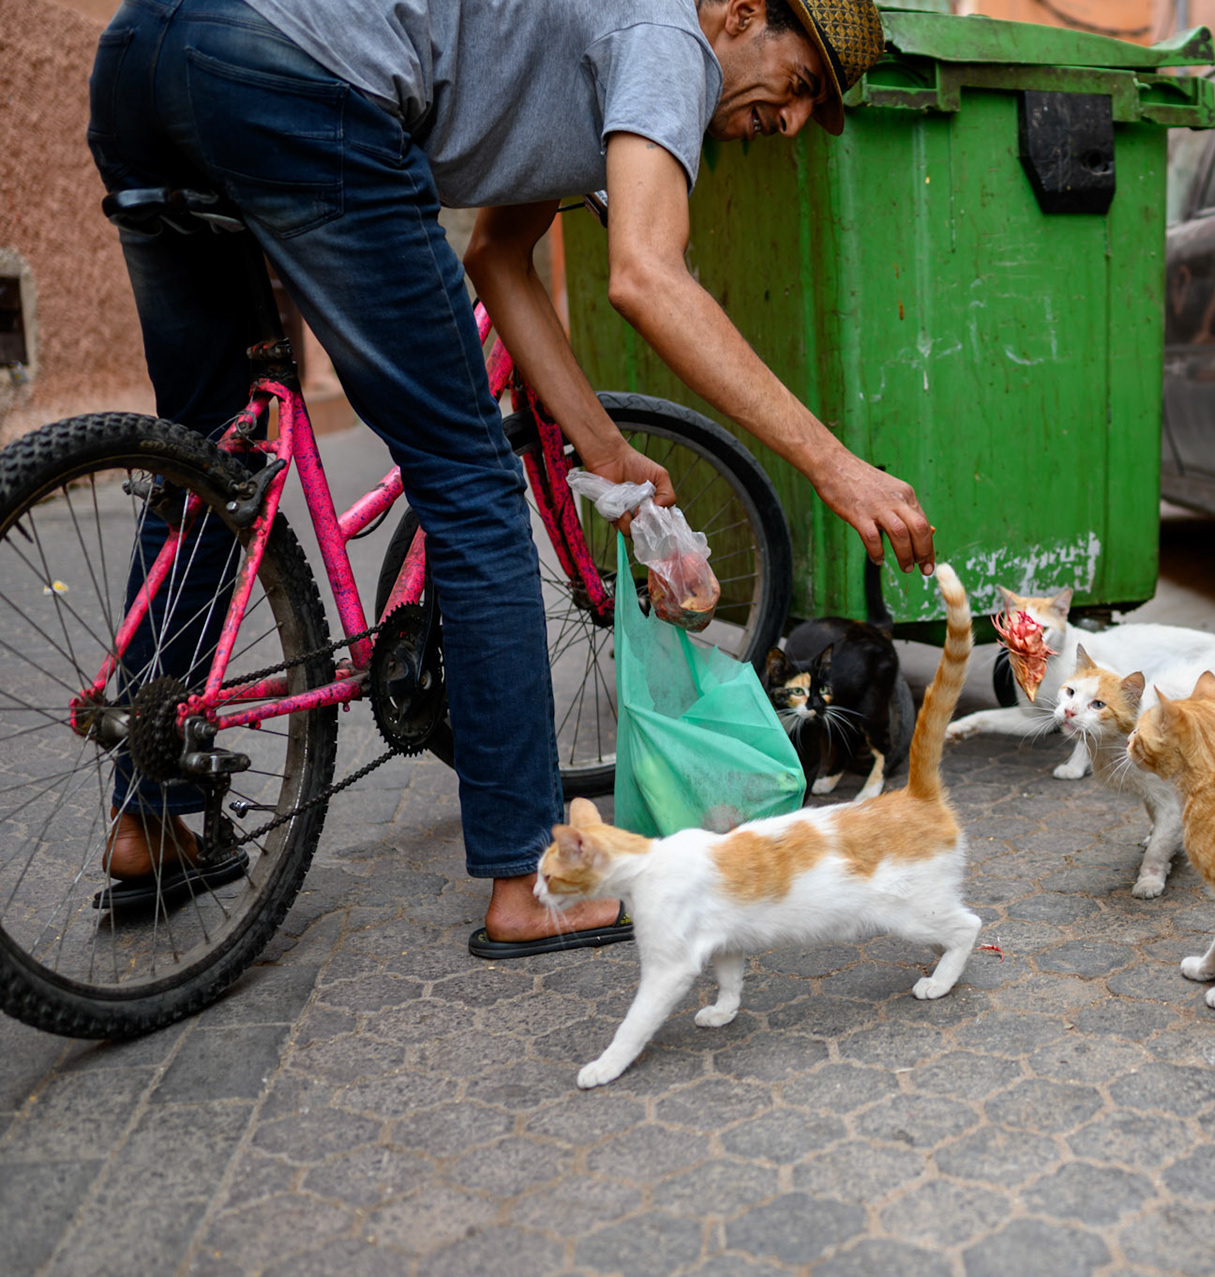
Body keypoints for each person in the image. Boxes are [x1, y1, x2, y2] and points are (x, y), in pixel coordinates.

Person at [88, 0, 936, 957]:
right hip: (289, 75)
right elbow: (647, 278)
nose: (783, 124)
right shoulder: (670, 40)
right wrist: (835, 465)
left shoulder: (601, 47)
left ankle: (148, 820)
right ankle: (532, 877)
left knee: (213, 460)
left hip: (145, 56)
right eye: (796, 87)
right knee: (477, 490)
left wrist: (605, 454)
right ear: (741, 13)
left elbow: (497, 256)